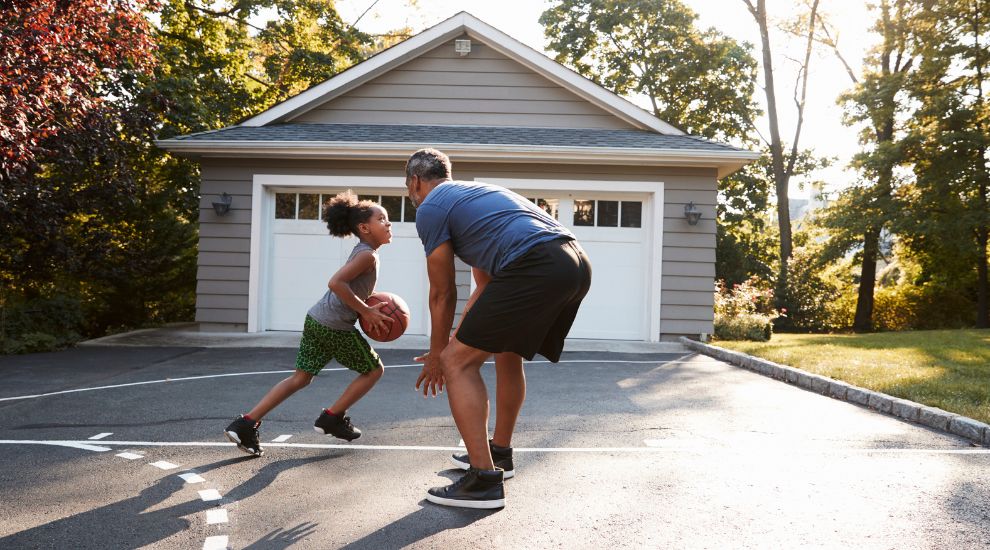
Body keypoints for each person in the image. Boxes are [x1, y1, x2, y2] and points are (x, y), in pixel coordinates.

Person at [405, 148, 592, 509]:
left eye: (408, 188)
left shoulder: (431, 208)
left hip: (536, 264)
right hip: (574, 262)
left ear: (415, 182)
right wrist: (460, 337)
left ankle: (483, 481)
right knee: (505, 351)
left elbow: (442, 292)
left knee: (458, 364)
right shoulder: (475, 196)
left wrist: (440, 355)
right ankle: (499, 454)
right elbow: (485, 285)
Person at [224, 192, 395, 457]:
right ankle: (332, 418)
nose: (389, 223)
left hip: (317, 319)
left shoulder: (365, 253)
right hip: (334, 325)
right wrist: (366, 312)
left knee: (301, 378)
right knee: (374, 370)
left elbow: (348, 285)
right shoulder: (368, 256)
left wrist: (364, 302)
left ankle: (246, 422)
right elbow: (336, 283)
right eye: (382, 219)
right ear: (364, 228)